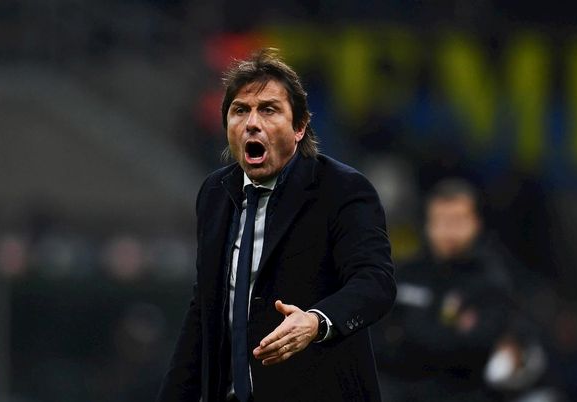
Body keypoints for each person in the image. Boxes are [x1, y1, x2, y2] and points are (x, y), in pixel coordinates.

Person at [157, 48, 396, 402]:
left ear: (299, 127)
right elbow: (204, 310)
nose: (252, 123)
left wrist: (316, 321)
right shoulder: (214, 194)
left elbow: (375, 282)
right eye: (240, 110)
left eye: (268, 109)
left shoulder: (341, 189)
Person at [374, 178, 515, 402]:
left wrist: (406, 335)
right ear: (427, 223)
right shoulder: (406, 272)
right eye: (440, 221)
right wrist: (442, 333)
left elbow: (476, 348)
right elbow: (376, 339)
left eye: (457, 220)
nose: (448, 230)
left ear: (476, 223)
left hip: (461, 393)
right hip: (398, 389)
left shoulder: (491, 279)